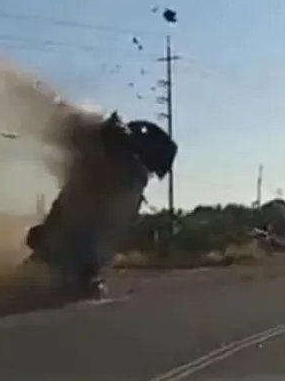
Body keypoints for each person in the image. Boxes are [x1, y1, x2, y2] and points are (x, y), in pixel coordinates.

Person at [24, 112, 177, 299]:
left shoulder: (103, 154)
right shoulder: (132, 175)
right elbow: (112, 224)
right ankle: (73, 274)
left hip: (65, 234)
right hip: (73, 244)